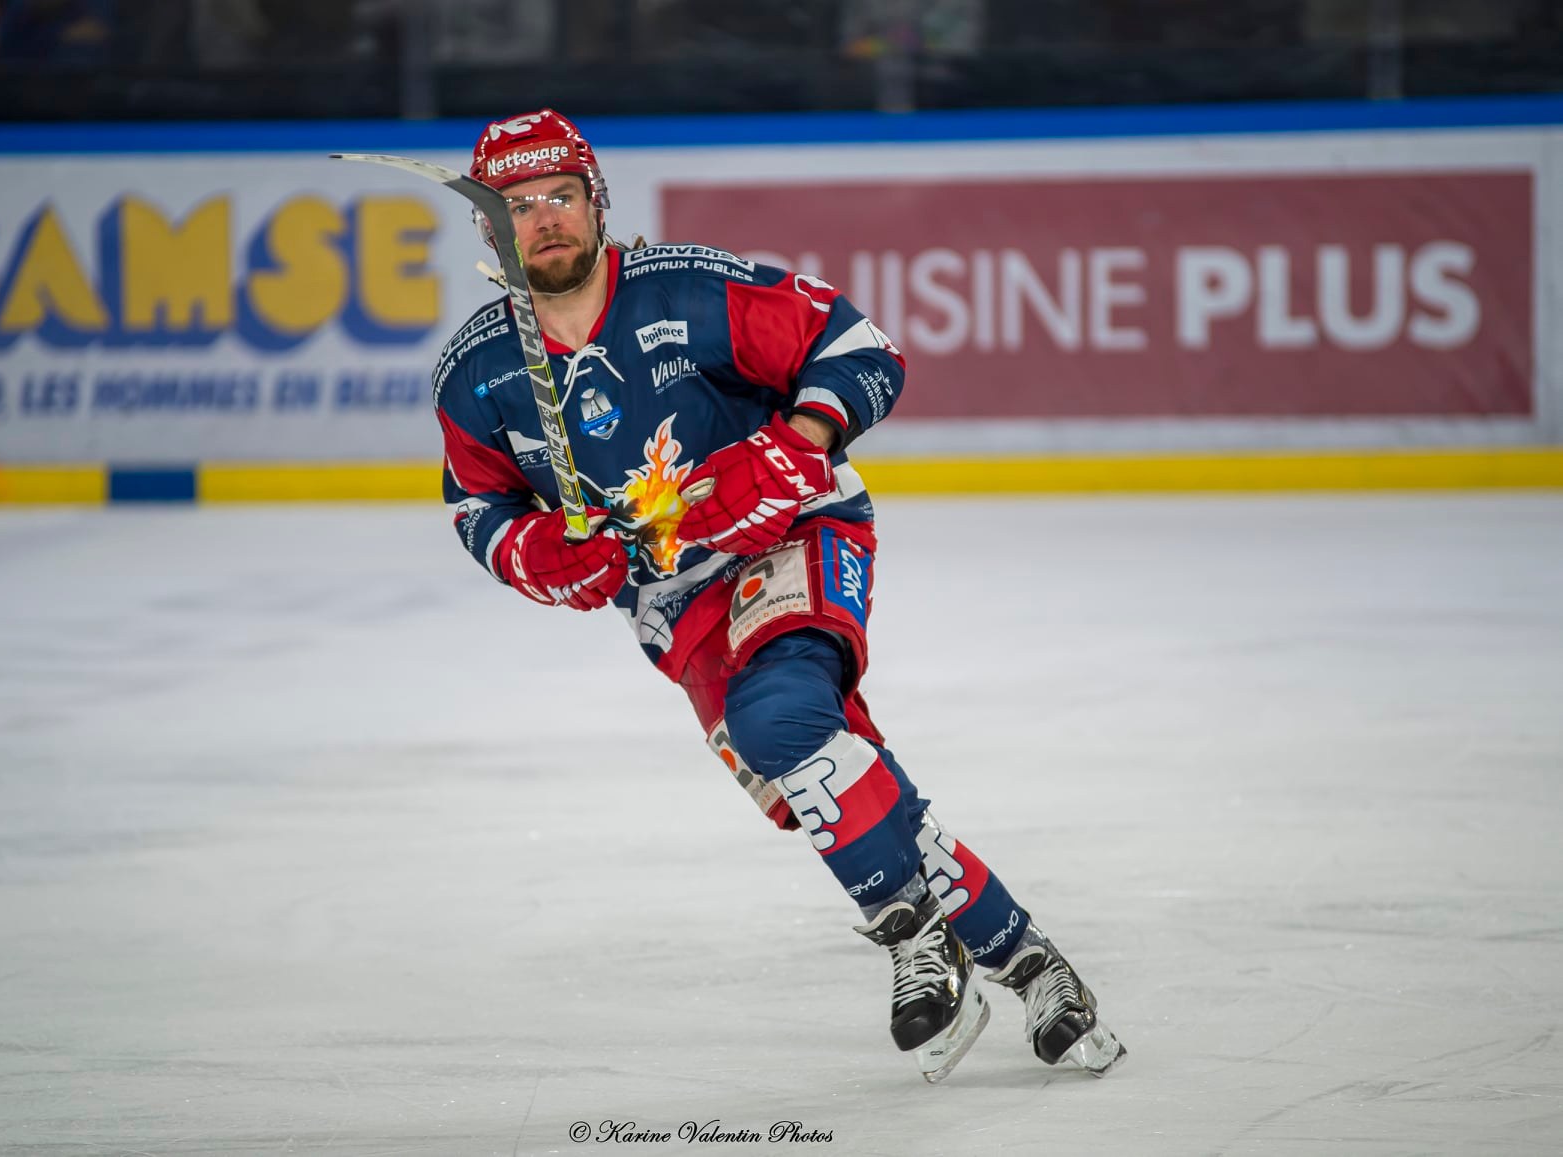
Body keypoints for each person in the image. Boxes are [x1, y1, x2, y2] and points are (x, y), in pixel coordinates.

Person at [433, 108, 1126, 1083]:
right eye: (517, 206)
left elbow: (862, 347)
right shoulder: (476, 376)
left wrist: (795, 441)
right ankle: (1025, 956)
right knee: (831, 780)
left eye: (560, 196)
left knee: (783, 718)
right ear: (487, 228)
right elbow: (478, 507)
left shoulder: (690, 287)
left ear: (597, 201)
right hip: (674, 605)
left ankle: (911, 933)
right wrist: (537, 552)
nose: (542, 220)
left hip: (793, 530)